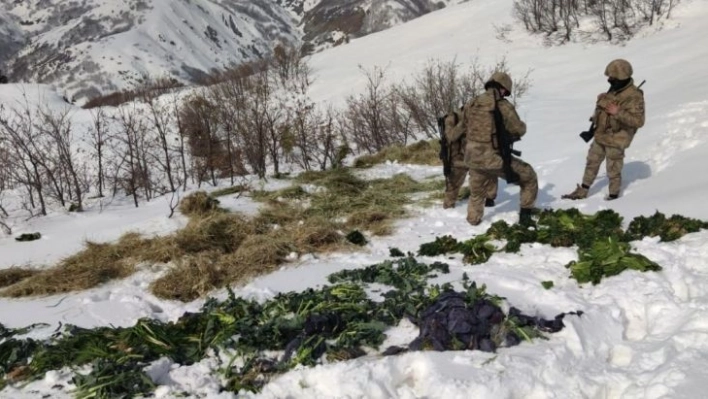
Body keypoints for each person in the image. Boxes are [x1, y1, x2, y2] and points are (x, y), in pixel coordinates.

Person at [447, 72, 538, 226]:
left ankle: (473, 220)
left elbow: (457, 131)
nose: (505, 94)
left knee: (476, 193)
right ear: (502, 89)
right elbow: (519, 129)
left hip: (472, 159)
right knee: (529, 177)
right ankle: (525, 216)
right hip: (493, 159)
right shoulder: (503, 106)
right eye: (505, 92)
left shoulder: (472, 104)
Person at [562, 59, 645, 201]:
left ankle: (613, 196)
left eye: (612, 78)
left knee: (613, 168)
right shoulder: (614, 90)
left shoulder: (634, 96)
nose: (609, 81)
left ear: (621, 77)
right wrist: (602, 101)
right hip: (601, 135)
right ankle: (583, 190)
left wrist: (617, 112)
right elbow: (604, 110)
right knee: (592, 162)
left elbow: (638, 121)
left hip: (617, 138)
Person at [442, 108, 498, 209]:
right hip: (458, 157)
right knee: (453, 183)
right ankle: (448, 207)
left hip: (477, 155)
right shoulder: (453, 118)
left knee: (490, 172)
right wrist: (464, 124)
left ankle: (490, 199)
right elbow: (451, 136)